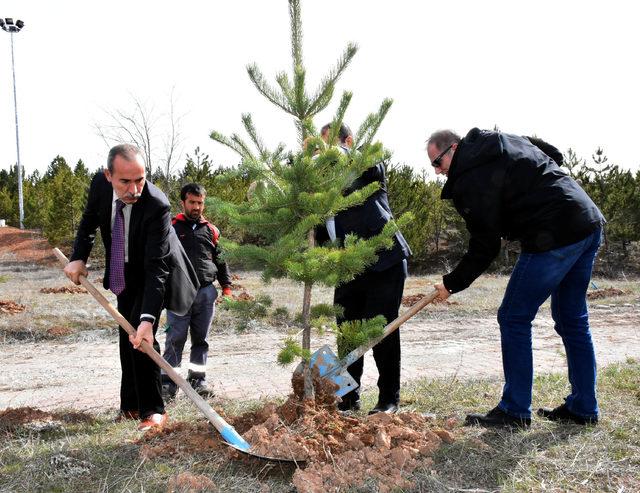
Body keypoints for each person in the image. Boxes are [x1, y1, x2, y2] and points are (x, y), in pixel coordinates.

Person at [426, 128, 605, 428]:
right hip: (586, 219)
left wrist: (451, 283)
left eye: (438, 163)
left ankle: (515, 410)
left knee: (513, 317)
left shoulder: (470, 179)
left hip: (555, 234)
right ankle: (584, 407)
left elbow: (485, 246)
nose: (437, 172)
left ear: (453, 149)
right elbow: (554, 153)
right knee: (572, 320)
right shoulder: (499, 139)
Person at [64, 144, 198, 431]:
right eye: (125, 181)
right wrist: (78, 257)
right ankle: (131, 405)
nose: (135, 189)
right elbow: (89, 220)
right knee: (128, 335)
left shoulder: (156, 205)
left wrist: (149, 319)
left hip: (154, 269)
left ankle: (154, 411)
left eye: (140, 179)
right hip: (121, 270)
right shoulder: (100, 186)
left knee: (142, 335)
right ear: (108, 175)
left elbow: (157, 268)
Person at [316, 123, 412, 415]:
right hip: (348, 268)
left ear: (349, 141)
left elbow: (370, 165)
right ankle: (347, 398)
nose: (324, 155)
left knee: (381, 330)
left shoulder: (367, 165)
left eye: (330, 146)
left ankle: (388, 401)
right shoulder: (324, 189)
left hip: (384, 263)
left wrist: (334, 152)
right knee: (346, 331)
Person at [161, 183, 232, 400]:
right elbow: (162, 260)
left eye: (200, 203)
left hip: (206, 293)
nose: (196, 207)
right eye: (192, 202)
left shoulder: (211, 230)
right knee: (175, 339)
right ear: (183, 202)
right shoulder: (171, 228)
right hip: (179, 294)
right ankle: (168, 384)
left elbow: (221, 260)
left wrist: (226, 287)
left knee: (201, 340)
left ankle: (198, 381)